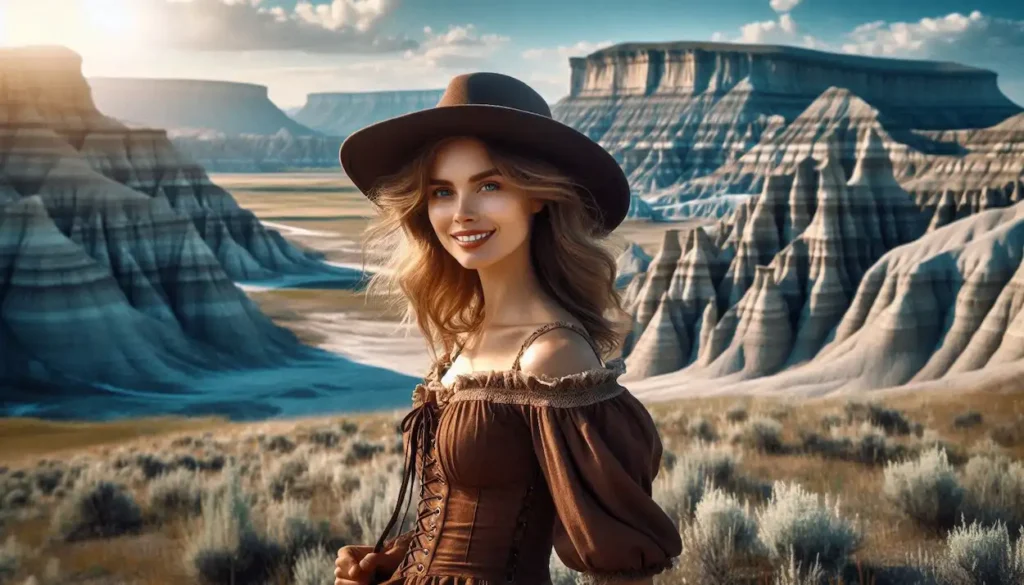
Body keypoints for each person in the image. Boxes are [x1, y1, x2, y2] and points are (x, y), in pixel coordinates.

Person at [334, 72, 682, 585]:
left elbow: (621, 569)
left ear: (538, 195)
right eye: (441, 192)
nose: (461, 214)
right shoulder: (462, 342)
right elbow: (470, 510)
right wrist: (395, 563)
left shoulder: (552, 358)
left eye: (489, 185)